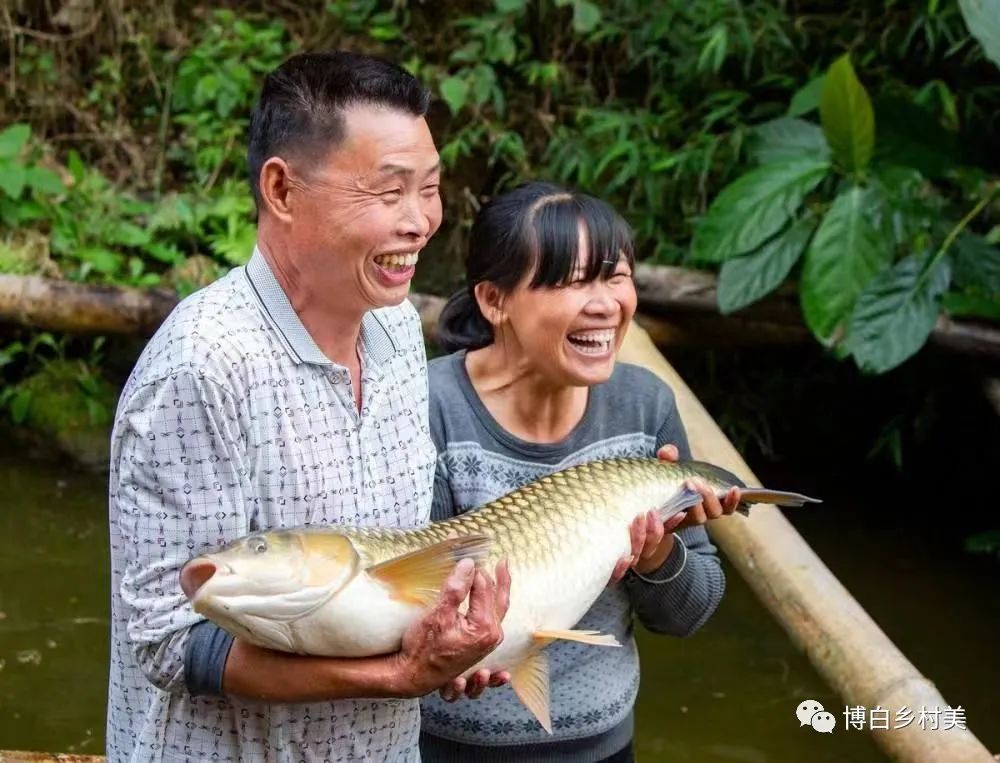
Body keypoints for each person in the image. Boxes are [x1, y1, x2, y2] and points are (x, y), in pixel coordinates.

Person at [106, 51, 510, 763]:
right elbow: (170, 642)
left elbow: (390, 572)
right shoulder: (203, 365)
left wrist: (441, 642)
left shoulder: (393, 327)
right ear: (282, 190)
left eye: (431, 188)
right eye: (388, 192)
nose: (420, 220)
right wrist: (392, 676)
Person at [419, 182, 741, 762]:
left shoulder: (645, 408)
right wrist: (440, 654)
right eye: (571, 281)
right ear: (494, 300)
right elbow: (408, 597)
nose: (605, 303)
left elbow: (692, 613)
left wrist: (657, 555)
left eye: (615, 277)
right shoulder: (429, 407)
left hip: (602, 746)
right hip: (445, 747)